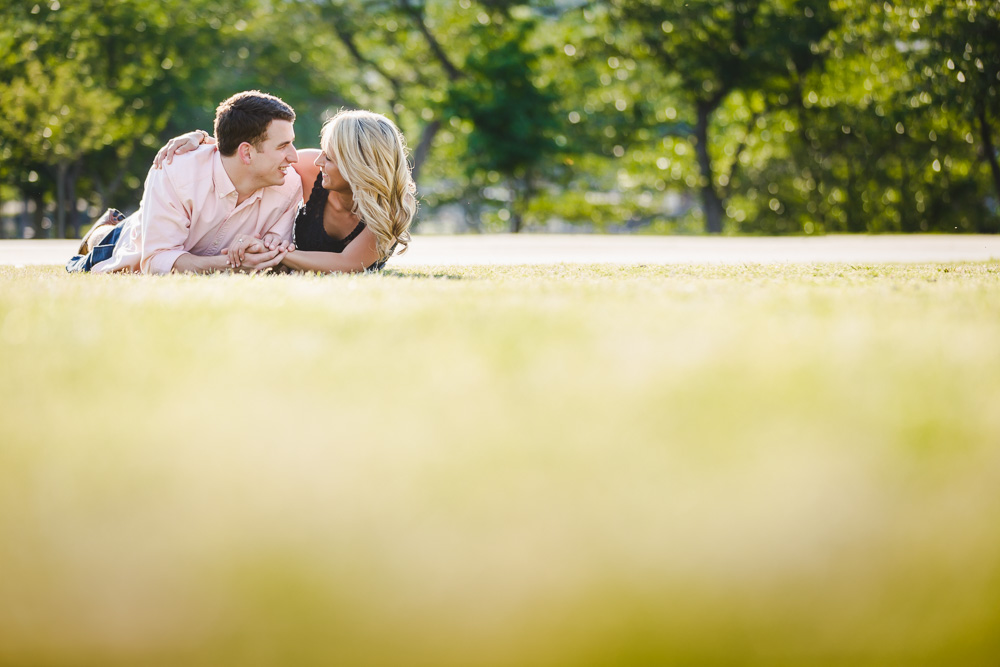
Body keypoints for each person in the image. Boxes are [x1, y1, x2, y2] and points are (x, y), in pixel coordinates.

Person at [68, 90, 302, 274]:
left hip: (177, 234)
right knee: (111, 245)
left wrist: (263, 250)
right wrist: (230, 265)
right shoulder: (176, 171)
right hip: (132, 243)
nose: (294, 157)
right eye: (283, 146)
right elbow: (156, 261)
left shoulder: (289, 185)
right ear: (246, 153)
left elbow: (274, 251)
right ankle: (103, 231)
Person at [155, 108, 416, 273]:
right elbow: (251, 153)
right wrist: (200, 138)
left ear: (359, 167)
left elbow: (348, 264)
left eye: (330, 158)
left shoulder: (392, 208)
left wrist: (273, 253)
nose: (318, 161)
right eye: (323, 151)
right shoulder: (312, 170)